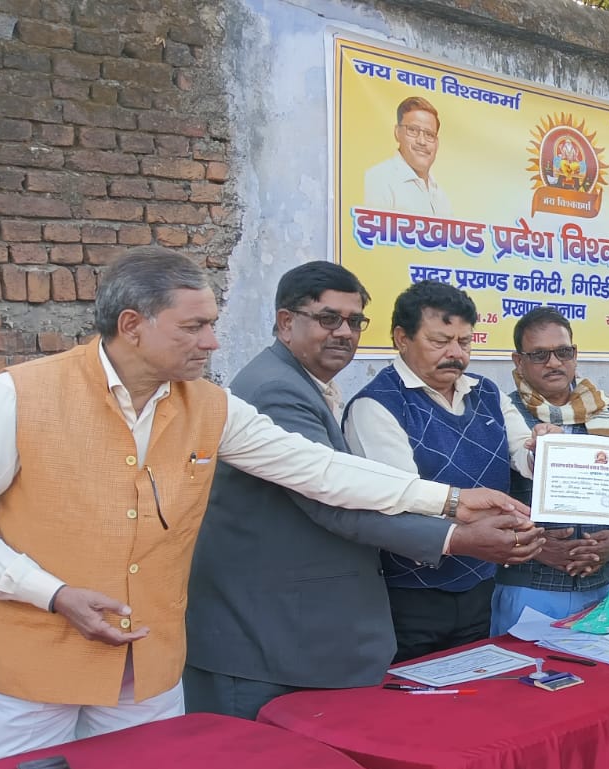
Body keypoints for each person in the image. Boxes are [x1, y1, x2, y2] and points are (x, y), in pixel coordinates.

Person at [0, 248, 515, 763]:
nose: (212, 342)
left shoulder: (211, 406)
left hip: (148, 663)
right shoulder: (20, 396)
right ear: (133, 325)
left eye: (211, 324)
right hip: (32, 663)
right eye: (194, 327)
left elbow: (318, 468)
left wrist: (448, 500)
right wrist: (51, 593)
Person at [185, 262, 544, 719]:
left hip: (302, 629)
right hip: (268, 636)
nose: (344, 332)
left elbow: (339, 481)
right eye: (328, 318)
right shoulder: (280, 389)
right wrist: (457, 529)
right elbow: (332, 499)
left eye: (354, 321)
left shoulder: (307, 384)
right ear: (286, 323)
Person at [344, 281, 517, 663]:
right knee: (409, 693)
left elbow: (525, 453)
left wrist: (550, 448)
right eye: (440, 341)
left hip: (480, 585)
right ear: (401, 338)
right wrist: (476, 529)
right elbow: (400, 497)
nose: (456, 353)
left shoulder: (487, 393)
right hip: (411, 596)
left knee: (474, 686)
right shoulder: (377, 406)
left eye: (465, 342)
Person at [492, 306, 609, 634]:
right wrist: (534, 546)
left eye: (563, 352)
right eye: (539, 355)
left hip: (601, 586)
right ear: (518, 361)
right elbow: (485, 502)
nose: (554, 363)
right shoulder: (501, 415)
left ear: (575, 354)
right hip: (528, 587)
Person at [362, 96, 451, 216]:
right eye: (413, 130)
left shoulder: (440, 195)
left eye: (429, 134)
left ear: (437, 143)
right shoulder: (379, 179)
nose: (422, 141)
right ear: (397, 133)